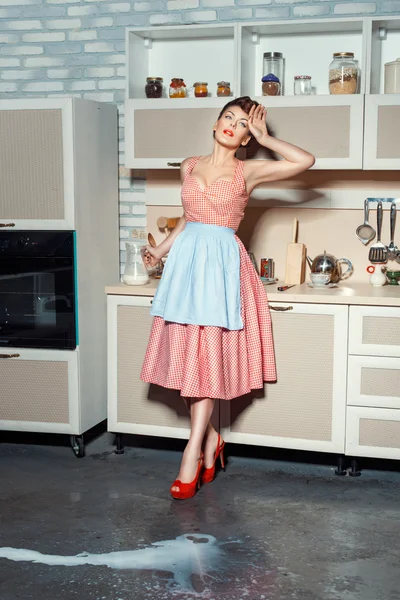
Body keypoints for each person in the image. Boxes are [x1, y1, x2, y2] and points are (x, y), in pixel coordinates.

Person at [141, 97, 315, 500]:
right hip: (186, 270)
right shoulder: (189, 165)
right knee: (191, 359)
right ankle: (213, 439)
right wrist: (161, 251)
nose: (231, 125)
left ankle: (191, 451)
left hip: (221, 271)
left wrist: (266, 137)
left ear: (244, 137)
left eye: (241, 124)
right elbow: (188, 218)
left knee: (204, 360)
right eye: (228, 118)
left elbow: (305, 161)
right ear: (216, 123)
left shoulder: (248, 171)